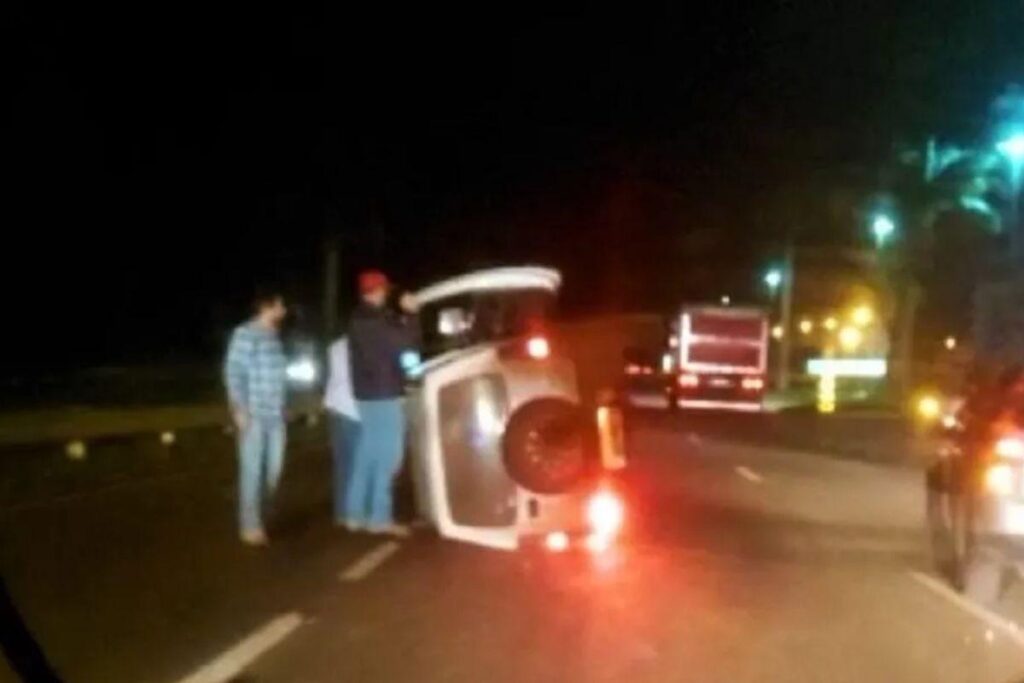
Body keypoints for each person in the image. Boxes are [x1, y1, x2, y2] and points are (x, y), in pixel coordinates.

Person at [345, 270, 418, 536]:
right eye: (384, 290)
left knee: (367, 454)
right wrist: (410, 315)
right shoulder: (374, 320)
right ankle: (379, 517)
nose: (387, 294)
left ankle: (355, 514)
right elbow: (406, 346)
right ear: (376, 291)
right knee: (389, 456)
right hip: (383, 394)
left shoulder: (361, 318)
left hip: (367, 394)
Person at [224, 289, 288, 546]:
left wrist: (284, 406)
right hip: (254, 414)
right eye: (280, 303)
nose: (284, 308)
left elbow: (278, 376)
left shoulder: (274, 336)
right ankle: (250, 525)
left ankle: (259, 513)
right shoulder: (245, 334)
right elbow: (233, 372)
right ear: (267, 306)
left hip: (276, 416)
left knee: (274, 469)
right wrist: (238, 409)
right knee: (252, 471)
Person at [324, 335, 361, 528]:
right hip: (353, 411)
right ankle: (355, 514)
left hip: (336, 408)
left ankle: (343, 513)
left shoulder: (335, 346)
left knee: (343, 464)